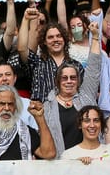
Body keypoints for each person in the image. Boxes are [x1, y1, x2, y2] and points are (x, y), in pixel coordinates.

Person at [42, 21, 102, 155]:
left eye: (73, 78)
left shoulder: (86, 95)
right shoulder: (47, 105)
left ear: (78, 80)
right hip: (60, 163)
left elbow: (94, 67)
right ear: (57, 82)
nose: (69, 81)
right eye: (64, 78)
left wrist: (96, 37)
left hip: (91, 160)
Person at [17, 8, 82, 102]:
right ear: (44, 42)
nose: (55, 39)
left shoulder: (76, 66)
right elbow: (22, 48)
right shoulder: (36, 63)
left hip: (70, 114)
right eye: (50, 37)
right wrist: (26, 19)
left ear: (64, 40)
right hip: (41, 114)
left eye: (59, 36)